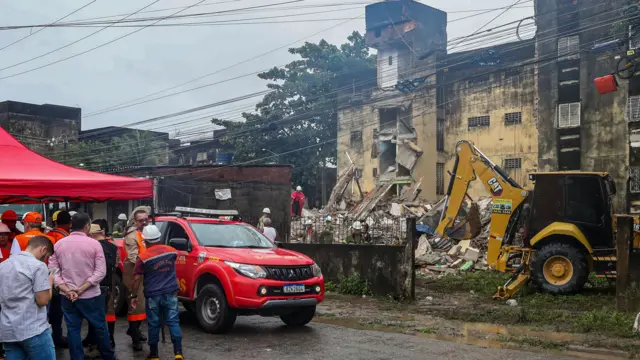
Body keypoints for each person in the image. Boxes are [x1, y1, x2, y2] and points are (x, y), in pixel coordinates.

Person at [48, 213, 115, 360]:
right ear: (87, 226)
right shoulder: (95, 244)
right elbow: (101, 272)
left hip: (68, 296)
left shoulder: (59, 244)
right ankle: (108, 357)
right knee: (100, 328)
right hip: (91, 295)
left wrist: (66, 289)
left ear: (72, 225)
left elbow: (53, 271)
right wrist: (83, 287)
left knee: (73, 330)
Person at [131, 225, 183, 360]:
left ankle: (154, 354)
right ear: (159, 238)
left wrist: (134, 295)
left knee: (154, 324)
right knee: (173, 322)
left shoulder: (142, 257)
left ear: (145, 241)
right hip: (171, 292)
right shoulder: (172, 252)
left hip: (153, 295)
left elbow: (136, 278)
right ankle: (178, 353)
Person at [0, 236, 55, 360]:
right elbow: (43, 300)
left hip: (8, 330)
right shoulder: (38, 266)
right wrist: (49, 283)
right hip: (33, 330)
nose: (45, 260)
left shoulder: (3, 265)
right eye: (46, 256)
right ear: (43, 249)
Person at [82, 221, 118, 355]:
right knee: (109, 311)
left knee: (95, 314)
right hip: (110, 283)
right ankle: (111, 339)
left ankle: (97, 342)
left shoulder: (92, 246)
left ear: (91, 234)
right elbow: (116, 263)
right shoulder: (113, 246)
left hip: (95, 284)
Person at [123, 206, 150, 351]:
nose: (144, 222)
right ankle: (135, 338)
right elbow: (133, 257)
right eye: (141, 220)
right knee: (135, 307)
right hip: (134, 275)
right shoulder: (132, 236)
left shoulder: (143, 233)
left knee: (141, 306)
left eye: (146, 219)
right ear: (135, 221)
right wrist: (148, 263)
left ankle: (134, 330)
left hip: (142, 273)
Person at [45, 211, 71, 349]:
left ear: (55, 221)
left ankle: (48, 337)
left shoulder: (48, 235)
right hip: (59, 277)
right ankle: (57, 336)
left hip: (44, 275)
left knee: (44, 310)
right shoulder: (66, 237)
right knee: (57, 310)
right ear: (69, 223)